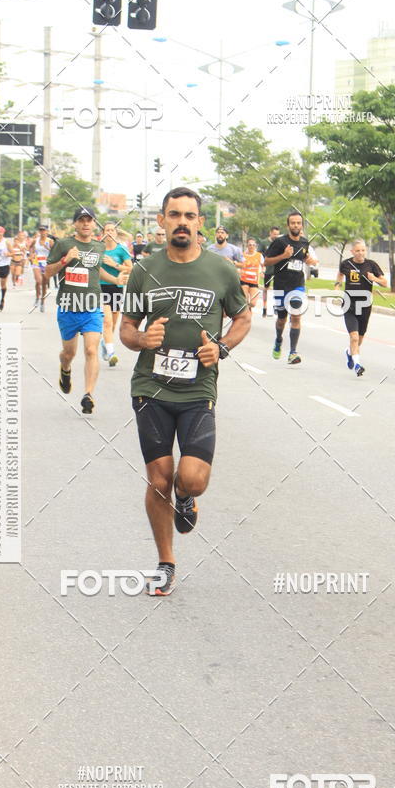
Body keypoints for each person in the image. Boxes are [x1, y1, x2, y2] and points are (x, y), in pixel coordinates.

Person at [120, 187, 251, 596]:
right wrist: (142, 340)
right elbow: (126, 329)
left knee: (191, 478)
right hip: (151, 388)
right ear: (162, 221)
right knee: (159, 478)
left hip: (198, 388)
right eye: (174, 215)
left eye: (189, 216)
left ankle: (185, 497)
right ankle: (166, 562)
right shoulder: (144, 271)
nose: (182, 222)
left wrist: (222, 347)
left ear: (200, 223)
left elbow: (243, 318)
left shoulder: (221, 271)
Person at [44, 207, 106, 415]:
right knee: (69, 353)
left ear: (94, 223)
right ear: (75, 224)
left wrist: (117, 278)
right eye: (81, 220)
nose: (86, 223)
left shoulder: (99, 246)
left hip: (92, 307)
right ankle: (65, 369)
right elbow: (47, 273)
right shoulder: (63, 244)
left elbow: (97, 271)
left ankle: (88, 394)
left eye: (89, 220)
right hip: (68, 307)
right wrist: (65, 260)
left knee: (91, 350)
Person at [264, 212, 317, 364]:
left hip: (297, 285)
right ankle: (278, 340)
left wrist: (308, 260)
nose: (296, 225)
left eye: (298, 223)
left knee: (296, 316)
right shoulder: (280, 242)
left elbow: (304, 258)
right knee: (282, 319)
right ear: (288, 225)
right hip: (281, 286)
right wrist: (283, 256)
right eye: (293, 223)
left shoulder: (305, 242)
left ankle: (293, 352)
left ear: (302, 225)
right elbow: (266, 261)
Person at [335, 240, 388, 376]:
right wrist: (337, 286)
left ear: (366, 251)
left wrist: (374, 279)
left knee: (359, 339)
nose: (360, 253)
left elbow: (385, 283)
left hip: (365, 306)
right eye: (357, 250)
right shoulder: (346, 264)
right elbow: (340, 274)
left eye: (363, 250)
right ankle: (357, 365)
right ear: (352, 251)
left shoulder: (371, 265)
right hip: (349, 305)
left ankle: (349, 352)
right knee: (354, 337)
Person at [99, 222, 133, 367]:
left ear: (116, 233)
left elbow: (131, 269)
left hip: (117, 287)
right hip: (101, 287)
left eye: (112, 230)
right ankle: (111, 353)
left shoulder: (121, 249)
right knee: (107, 321)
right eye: (107, 230)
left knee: (112, 323)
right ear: (103, 233)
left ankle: (105, 343)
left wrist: (114, 265)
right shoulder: (98, 249)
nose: (110, 232)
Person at [29, 225, 52, 311]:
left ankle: (42, 301)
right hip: (37, 262)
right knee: (38, 281)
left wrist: (46, 247)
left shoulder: (50, 241)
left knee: (44, 284)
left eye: (44, 230)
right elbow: (30, 247)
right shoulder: (35, 240)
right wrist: (31, 254)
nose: (42, 232)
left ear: (47, 231)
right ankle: (37, 298)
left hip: (46, 264)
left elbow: (55, 252)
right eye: (41, 230)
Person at [259, 226, 280, 317]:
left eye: (277, 234)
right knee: (266, 288)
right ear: (270, 233)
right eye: (274, 234)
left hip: (277, 269)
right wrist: (261, 269)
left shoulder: (279, 242)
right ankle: (264, 307)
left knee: (278, 288)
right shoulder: (264, 242)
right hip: (267, 269)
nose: (276, 236)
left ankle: (277, 306)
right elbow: (259, 255)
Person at [239, 237, 264, 309]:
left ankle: (248, 309)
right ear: (247, 245)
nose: (251, 246)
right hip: (244, 280)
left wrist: (262, 272)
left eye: (253, 245)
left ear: (256, 246)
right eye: (250, 245)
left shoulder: (259, 255)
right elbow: (239, 265)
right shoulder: (243, 255)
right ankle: (247, 313)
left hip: (254, 281)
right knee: (245, 301)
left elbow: (263, 265)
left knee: (253, 303)